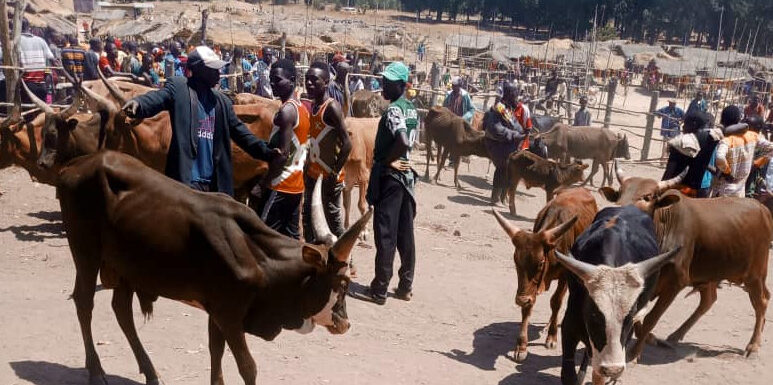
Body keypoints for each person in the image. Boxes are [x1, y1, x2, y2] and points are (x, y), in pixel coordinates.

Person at [121, 46, 279, 195]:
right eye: (213, 69)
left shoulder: (222, 102)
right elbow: (158, 97)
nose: (218, 73)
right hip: (185, 181)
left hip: (213, 184)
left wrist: (267, 152)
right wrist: (139, 104)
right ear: (198, 70)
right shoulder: (180, 88)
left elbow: (241, 134)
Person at [366, 62, 418, 305]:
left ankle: (379, 288)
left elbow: (403, 141)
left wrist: (387, 162)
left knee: (386, 234)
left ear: (400, 85)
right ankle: (405, 285)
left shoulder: (394, 110)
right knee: (405, 233)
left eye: (387, 82)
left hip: (391, 177)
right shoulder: (412, 110)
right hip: (407, 177)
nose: (382, 85)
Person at [250, 59, 309, 239]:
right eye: (271, 80)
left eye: (277, 80)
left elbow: (283, 155)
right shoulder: (301, 109)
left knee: (262, 236)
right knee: (290, 239)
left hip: (280, 185)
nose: (273, 84)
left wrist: (262, 184)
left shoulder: (287, 112)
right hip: (296, 187)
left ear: (292, 80)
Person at [302, 62, 352, 246]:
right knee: (308, 217)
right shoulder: (314, 106)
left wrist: (334, 172)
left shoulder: (331, 107)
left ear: (326, 82)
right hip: (313, 175)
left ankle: (347, 260)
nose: (309, 83)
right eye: (307, 79)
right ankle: (313, 255)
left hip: (329, 177)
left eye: (314, 80)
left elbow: (347, 143)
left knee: (333, 221)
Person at [712, 105, 773, 197]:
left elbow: (720, 157)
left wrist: (727, 171)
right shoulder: (752, 136)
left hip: (725, 189)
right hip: (740, 189)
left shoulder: (727, 140)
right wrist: (760, 161)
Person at [661, 111, 723, 197]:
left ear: (694, 125)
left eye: (686, 123)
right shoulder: (711, 140)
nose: (683, 126)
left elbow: (669, 172)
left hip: (680, 190)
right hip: (699, 188)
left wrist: (660, 190)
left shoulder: (680, 143)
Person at [484, 82, 525, 205]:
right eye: (514, 95)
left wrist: (520, 131)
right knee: (502, 167)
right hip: (496, 143)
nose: (516, 98)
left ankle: (503, 196)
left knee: (509, 169)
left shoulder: (507, 108)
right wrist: (513, 135)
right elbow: (496, 128)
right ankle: (495, 198)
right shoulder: (499, 108)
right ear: (509, 95)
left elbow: (514, 123)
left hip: (507, 143)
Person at [18, 19, 56, 102]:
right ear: (29, 28)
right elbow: (51, 59)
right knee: (41, 109)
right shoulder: (41, 41)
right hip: (42, 81)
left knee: (28, 109)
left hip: (26, 83)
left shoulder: (16, 41)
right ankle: (49, 103)